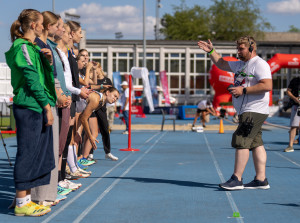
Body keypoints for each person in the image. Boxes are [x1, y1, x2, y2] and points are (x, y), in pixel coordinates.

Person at [197, 36, 272, 190]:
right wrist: (211, 51)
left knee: (241, 140)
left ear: (251, 48)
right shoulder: (240, 64)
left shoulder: (259, 64)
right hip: (247, 109)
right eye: (237, 48)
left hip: (254, 109)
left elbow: (267, 85)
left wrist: (243, 90)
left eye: (241, 49)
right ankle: (261, 179)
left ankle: (236, 179)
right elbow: (221, 63)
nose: (238, 52)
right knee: (256, 143)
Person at [5, 9, 56, 216]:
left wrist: (48, 60)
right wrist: (46, 107)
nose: (44, 27)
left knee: (38, 155)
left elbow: (42, 76)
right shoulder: (22, 47)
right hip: (30, 107)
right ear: (33, 25)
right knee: (27, 154)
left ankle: (26, 199)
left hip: (36, 105)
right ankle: (21, 203)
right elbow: (32, 79)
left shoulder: (32, 48)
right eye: (42, 23)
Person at [284, 77, 300, 152]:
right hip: (296, 105)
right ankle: (290, 146)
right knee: (294, 125)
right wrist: (295, 98)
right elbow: (288, 91)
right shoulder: (295, 80)